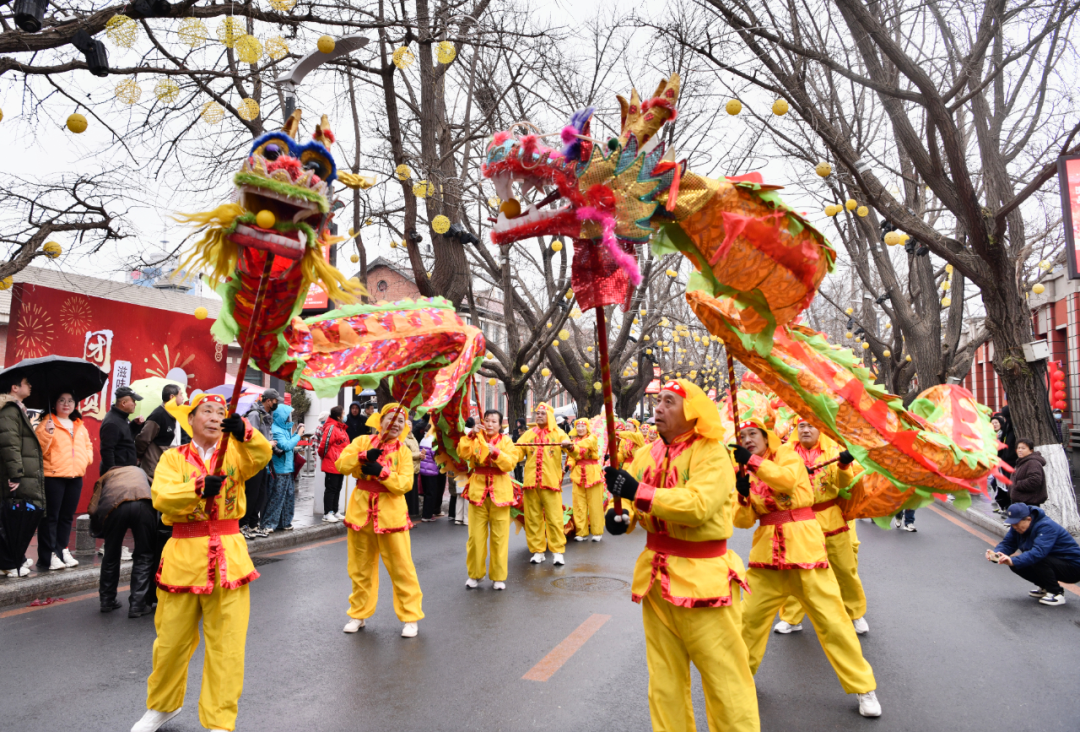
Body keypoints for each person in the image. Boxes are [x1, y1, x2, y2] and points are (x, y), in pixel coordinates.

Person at [603, 380, 759, 732]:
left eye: (669, 401)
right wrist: (619, 517)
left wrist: (637, 491)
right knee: (664, 682)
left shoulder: (712, 452)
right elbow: (630, 504)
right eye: (658, 400)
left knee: (725, 681)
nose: (658, 407)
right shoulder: (645, 453)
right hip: (655, 582)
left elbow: (698, 506)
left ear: (691, 411)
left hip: (705, 584)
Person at [130, 393, 271, 732]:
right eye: (206, 411)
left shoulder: (236, 453)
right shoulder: (172, 458)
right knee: (170, 642)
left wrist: (246, 431)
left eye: (221, 412)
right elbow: (161, 497)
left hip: (229, 558)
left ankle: (220, 721)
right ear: (190, 419)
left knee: (227, 646)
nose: (214, 416)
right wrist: (197, 488)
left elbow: (263, 454)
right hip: (183, 556)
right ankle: (162, 706)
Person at [732, 416, 881, 718]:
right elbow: (743, 522)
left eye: (753, 434)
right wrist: (743, 495)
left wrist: (754, 464)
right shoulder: (745, 469)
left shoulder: (787, 455)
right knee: (747, 622)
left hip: (805, 553)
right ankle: (740, 682)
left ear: (766, 437)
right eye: (742, 436)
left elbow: (786, 481)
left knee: (834, 623)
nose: (747, 440)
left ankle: (864, 687)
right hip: (766, 560)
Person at [774, 420, 870, 636]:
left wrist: (844, 466)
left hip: (830, 517)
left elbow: (843, 484)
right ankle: (791, 618)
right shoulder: (784, 453)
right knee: (797, 570)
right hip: (798, 520)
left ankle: (855, 613)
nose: (806, 430)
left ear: (820, 429)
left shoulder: (833, 451)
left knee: (845, 568)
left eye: (811, 426)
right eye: (801, 426)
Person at [336, 403, 424, 637]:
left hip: (391, 517)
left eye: (400, 421)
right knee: (360, 568)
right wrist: (363, 457)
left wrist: (381, 472)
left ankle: (410, 617)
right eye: (391, 419)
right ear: (380, 420)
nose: (395, 424)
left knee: (402, 568)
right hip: (360, 515)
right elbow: (341, 464)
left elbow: (405, 484)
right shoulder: (362, 441)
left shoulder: (403, 451)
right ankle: (358, 614)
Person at [458, 410, 522, 589]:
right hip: (477, 492)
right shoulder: (476, 438)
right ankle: (475, 574)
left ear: (500, 425)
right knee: (475, 538)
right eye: (487, 420)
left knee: (499, 537)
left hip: (500, 493)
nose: (490, 424)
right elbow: (462, 453)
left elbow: (511, 463)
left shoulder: (506, 441)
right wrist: (471, 435)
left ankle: (498, 577)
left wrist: (496, 452)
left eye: (494, 421)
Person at [34, 392, 93, 571]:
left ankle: (62, 549)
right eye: (61, 400)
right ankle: (48, 555)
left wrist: (86, 459)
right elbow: (38, 450)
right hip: (53, 476)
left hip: (75, 476)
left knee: (67, 516)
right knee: (51, 517)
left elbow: (88, 445)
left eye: (70, 401)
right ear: (54, 404)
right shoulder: (46, 423)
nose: (66, 404)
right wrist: (47, 433)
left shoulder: (79, 424)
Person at [90, 464, 156, 617]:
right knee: (144, 555)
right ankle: (137, 604)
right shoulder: (140, 471)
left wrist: (97, 529)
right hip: (144, 504)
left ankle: (107, 601)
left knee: (111, 555)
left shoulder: (105, 477)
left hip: (114, 507)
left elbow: (93, 508)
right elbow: (156, 488)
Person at [986, 502, 1080, 606]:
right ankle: (1044, 587)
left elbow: (1039, 552)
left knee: (1035, 559)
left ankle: (1056, 593)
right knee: (1016, 564)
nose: (1014, 527)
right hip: (1053, 562)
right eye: (1012, 523)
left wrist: (1013, 561)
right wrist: (996, 554)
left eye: (1016, 523)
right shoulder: (1016, 527)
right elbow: (1008, 544)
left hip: (1073, 568)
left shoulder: (1046, 526)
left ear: (1029, 519)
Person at [0, 376, 44, 578]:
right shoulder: (9, 410)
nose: (31, 386)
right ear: (15, 387)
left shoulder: (17, 409)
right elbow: (10, 444)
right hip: (11, 475)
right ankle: (9, 562)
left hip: (17, 473)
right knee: (11, 518)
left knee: (13, 518)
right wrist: (16, 474)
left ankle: (13, 559)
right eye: (27, 383)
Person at [516, 402, 570, 565]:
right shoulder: (528, 434)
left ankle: (557, 551)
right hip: (531, 483)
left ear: (550, 416)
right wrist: (503, 453)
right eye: (537, 413)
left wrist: (569, 446)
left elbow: (571, 450)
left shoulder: (559, 433)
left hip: (550, 482)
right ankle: (537, 551)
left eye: (542, 413)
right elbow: (517, 453)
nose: (539, 415)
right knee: (533, 518)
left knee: (555, 518)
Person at [241, 389, 278, 538]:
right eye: (275, 401)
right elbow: (251, 438)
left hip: (263, 461)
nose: (276, 403)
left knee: (260, 494)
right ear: (268, 401)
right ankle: (243, 525)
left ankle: (253, 524)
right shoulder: (255, 415)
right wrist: (267, 443)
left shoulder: (267, 415)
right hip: (253, 461)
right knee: (252, 493)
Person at [261, 402, 303, 533]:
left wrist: (295, 433)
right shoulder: (276, 429)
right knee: (276, 498)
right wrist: (298, 435)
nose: (289, 418)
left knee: (288, 497)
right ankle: (268, 524)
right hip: (278, 470)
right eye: (287, 415)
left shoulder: (284, 429)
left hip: (287, 468)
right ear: (281, 416)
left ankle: (284, 522)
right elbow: (286, 446)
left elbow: (289, 443)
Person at [565, 418, 603, 542]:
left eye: (583, 426)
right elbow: (572, 457)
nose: (580, 429)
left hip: (593, 474)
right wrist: (568, 465)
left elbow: (586, 444)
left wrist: (571, 445)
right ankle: (581, 532)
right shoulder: (574, 441)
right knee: (578, 505)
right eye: (578, 427)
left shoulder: (592, 438)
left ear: (587, 428)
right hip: (578, 475)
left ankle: (597, 532)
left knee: (595, 504)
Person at [135, 385, 183, 482]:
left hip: (167, 469)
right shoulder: (158, 415)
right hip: (154, 470)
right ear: (172, 397)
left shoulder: (175, 415)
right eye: (181, 395)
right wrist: (138, 456)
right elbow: (143, 439)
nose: (183, 398)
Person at [99, 386, 144, 475]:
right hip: (118, 474)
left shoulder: (122, 417)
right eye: (133, 401)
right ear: (123, 403)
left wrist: (134, 425)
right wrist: (112, 473)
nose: (135, 404)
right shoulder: (112, 423)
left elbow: (125, 439)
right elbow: (107, 451)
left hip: (125, 471)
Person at [318, 405, 350, 523]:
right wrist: (326, 457)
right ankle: (327, 513)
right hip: (332, 462)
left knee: (337, 488)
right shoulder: (332, 427)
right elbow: (324, 445)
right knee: (331, 488)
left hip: (339, 463)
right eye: (343, 413)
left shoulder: (340, 428)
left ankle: (335, 510)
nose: (345, 415)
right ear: (338, 416)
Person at [990, 412, 1017, 513]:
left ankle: (1006, 506)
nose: (994, 425)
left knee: (1003, 485)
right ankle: (1001, 505)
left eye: (996, 423)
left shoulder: (1006, 432)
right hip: (997, 462)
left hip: (1007, 462)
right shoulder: (990, 435)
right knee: (996, 484)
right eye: (992, 423)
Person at [1009, 439, 1046, 507]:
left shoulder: (1033, 462)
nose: (1020, 450)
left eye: (1023, 448)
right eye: (1018, 448)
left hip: (1028, 504)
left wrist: (1017, 484)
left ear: (1031, 451)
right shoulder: (1021, 462)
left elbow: (1034, 481)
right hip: (1020, 503)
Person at [419, 429, 447, 522]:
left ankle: (425, 514)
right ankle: (427, 515)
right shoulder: (433, 441)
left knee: (427, 493)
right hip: (431, 470)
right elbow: (436, 456)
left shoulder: (423, 439)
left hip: (423, 469)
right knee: (431, 493)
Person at [404, 428, 422, 520]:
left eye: (410, 424)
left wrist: (421, 455)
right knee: (407, 494)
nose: (409, 426)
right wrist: (418, 455)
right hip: (408, 468)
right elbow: (406, 454)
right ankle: (406, 516)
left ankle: (411, 515)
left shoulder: (413, 437)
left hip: (415, 468)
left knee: (413, 493)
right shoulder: (403, 438)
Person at [511, 418, 527, 483]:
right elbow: (513, 440)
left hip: (525, 451)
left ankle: (522, 479)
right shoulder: (515, 431)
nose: (519, 433)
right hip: (517, 450)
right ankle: (518, 479)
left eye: (519, 422)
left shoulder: (528, 433)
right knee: (517, 467)